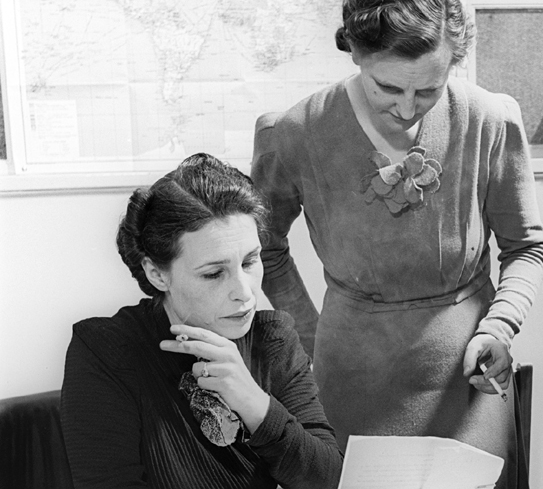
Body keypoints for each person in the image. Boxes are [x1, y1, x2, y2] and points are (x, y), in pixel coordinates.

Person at [250, 0, 543, 488]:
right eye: (387, 87)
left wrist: (499, 327)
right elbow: (265, 248)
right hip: (350, 375)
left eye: (429, 90)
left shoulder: (491, 120)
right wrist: (311, 336)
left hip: (468, 370)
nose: (408, 109)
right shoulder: (294, 132)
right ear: (357, 54)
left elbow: (525, 247)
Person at [61, 153, 343, 489]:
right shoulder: (105, 351)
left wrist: (254, 402)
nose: (245, 293)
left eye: (250, 262)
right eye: (214, 274)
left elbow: (330, 480)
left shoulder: (274, 340)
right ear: (156, 273)